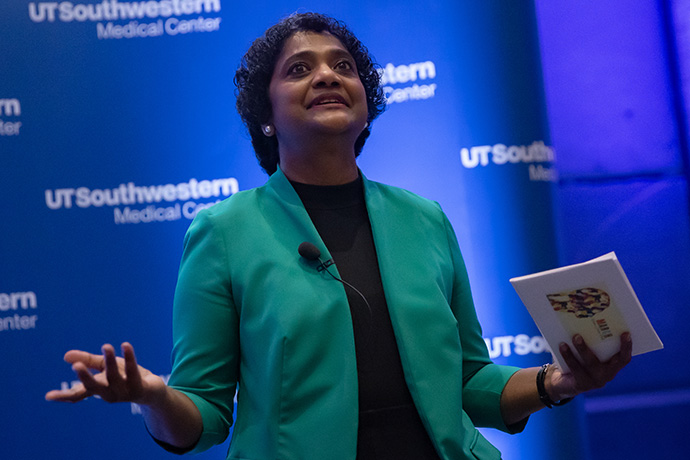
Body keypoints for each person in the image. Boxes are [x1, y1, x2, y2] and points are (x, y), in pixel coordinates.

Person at [45, 12, 632, 460]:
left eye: (342, 66)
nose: (327, 74)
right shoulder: (223, 232)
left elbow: (470, 382)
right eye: (299, 69)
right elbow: (202, 414)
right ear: (266, 117)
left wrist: (554, 382)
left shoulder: (425, 217)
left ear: (366, 105)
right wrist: (154, 397)